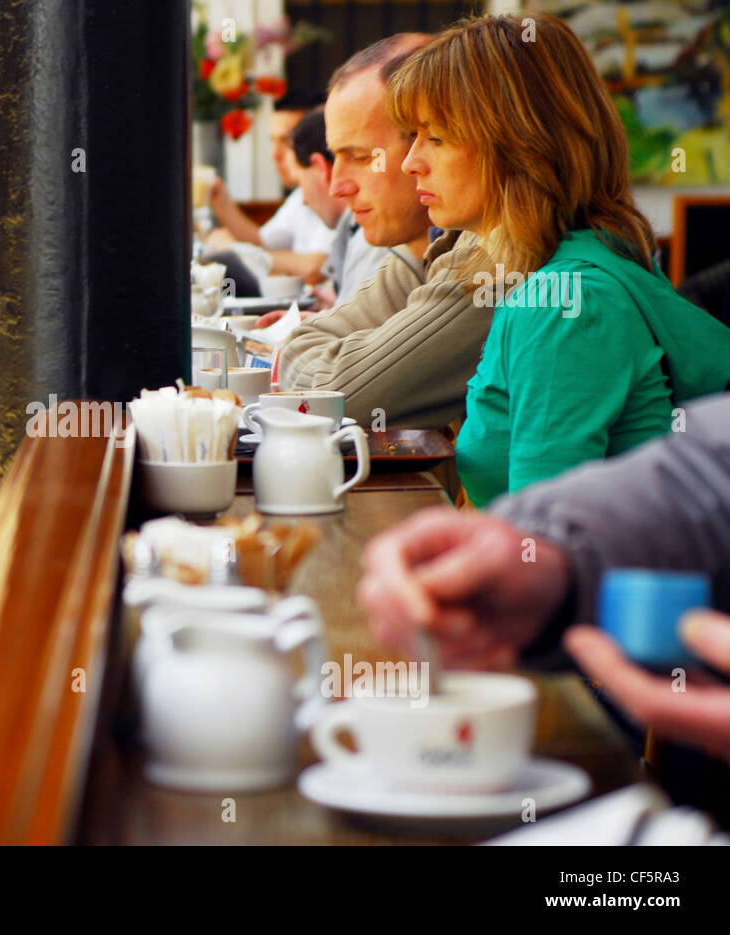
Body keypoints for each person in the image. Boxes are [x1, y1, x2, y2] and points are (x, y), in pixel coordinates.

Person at [387, 13, 730, 507]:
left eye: (435, 137)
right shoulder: (579, 264)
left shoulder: (565, 306)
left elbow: (537, 544)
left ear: (521, 145)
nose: (409, 161)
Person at [357, 393, 730, 815]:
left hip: (626, 687)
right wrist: (554, 561)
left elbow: (353, 382)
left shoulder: (564, 325)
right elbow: (707, 476)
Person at [273, 33, 491, 430]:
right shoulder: (441, 243)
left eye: (360, 157)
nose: (337, 185)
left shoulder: (499, 260)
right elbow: (304, 354)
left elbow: (331, 396)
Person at [206, 90, 336, 284]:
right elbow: (261, 240)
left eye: (287, 141)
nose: (274, 154)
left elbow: (318, 267)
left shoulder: (336, 196)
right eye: (273, 141)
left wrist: (236, 250)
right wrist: (221, 201)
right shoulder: (298, 197)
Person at [285, 107, 390, 308]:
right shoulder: (357, 231)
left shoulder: (378, 235)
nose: (336, 188)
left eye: (361, 157)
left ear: (320, 167)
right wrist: (334, 313)